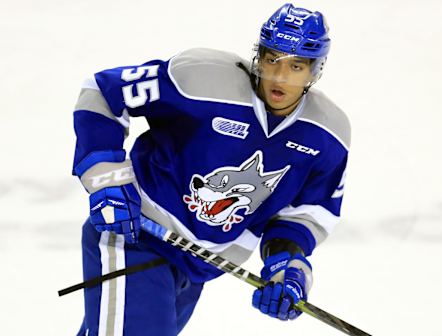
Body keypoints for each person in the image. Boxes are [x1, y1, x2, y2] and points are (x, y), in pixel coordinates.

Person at [72, 3, 350, 335]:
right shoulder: (201, 80)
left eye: (296, 66)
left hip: (197, 268)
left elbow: (304, 213)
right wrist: (107, 180)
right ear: (257, 55)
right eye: (271, 58)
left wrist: (286, 265)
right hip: (135, 237)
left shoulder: (327, 134)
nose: (279, 75)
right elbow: (103, 92)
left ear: (315, 70)